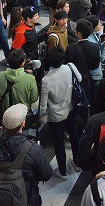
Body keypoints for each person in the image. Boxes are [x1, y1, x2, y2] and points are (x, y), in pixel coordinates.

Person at [0, 104, 53, 206]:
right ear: (23, 123)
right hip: (26, 198)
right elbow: (46, 174)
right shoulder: (33, 148)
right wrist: (40, 153)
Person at [39, 47, 83, 179]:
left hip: (56, 115)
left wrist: (41, 118)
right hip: (71, 107)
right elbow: (79, 79)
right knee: (74, 136)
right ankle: (77, 162)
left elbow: (42, 106)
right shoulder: (70, 67)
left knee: (59, 143)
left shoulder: (46, 80)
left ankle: (63, 172)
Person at [0, 49, 38, 127]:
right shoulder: (30, 79)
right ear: (22, 64)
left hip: (6, 114)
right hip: (22, 116)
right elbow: (34, 99)